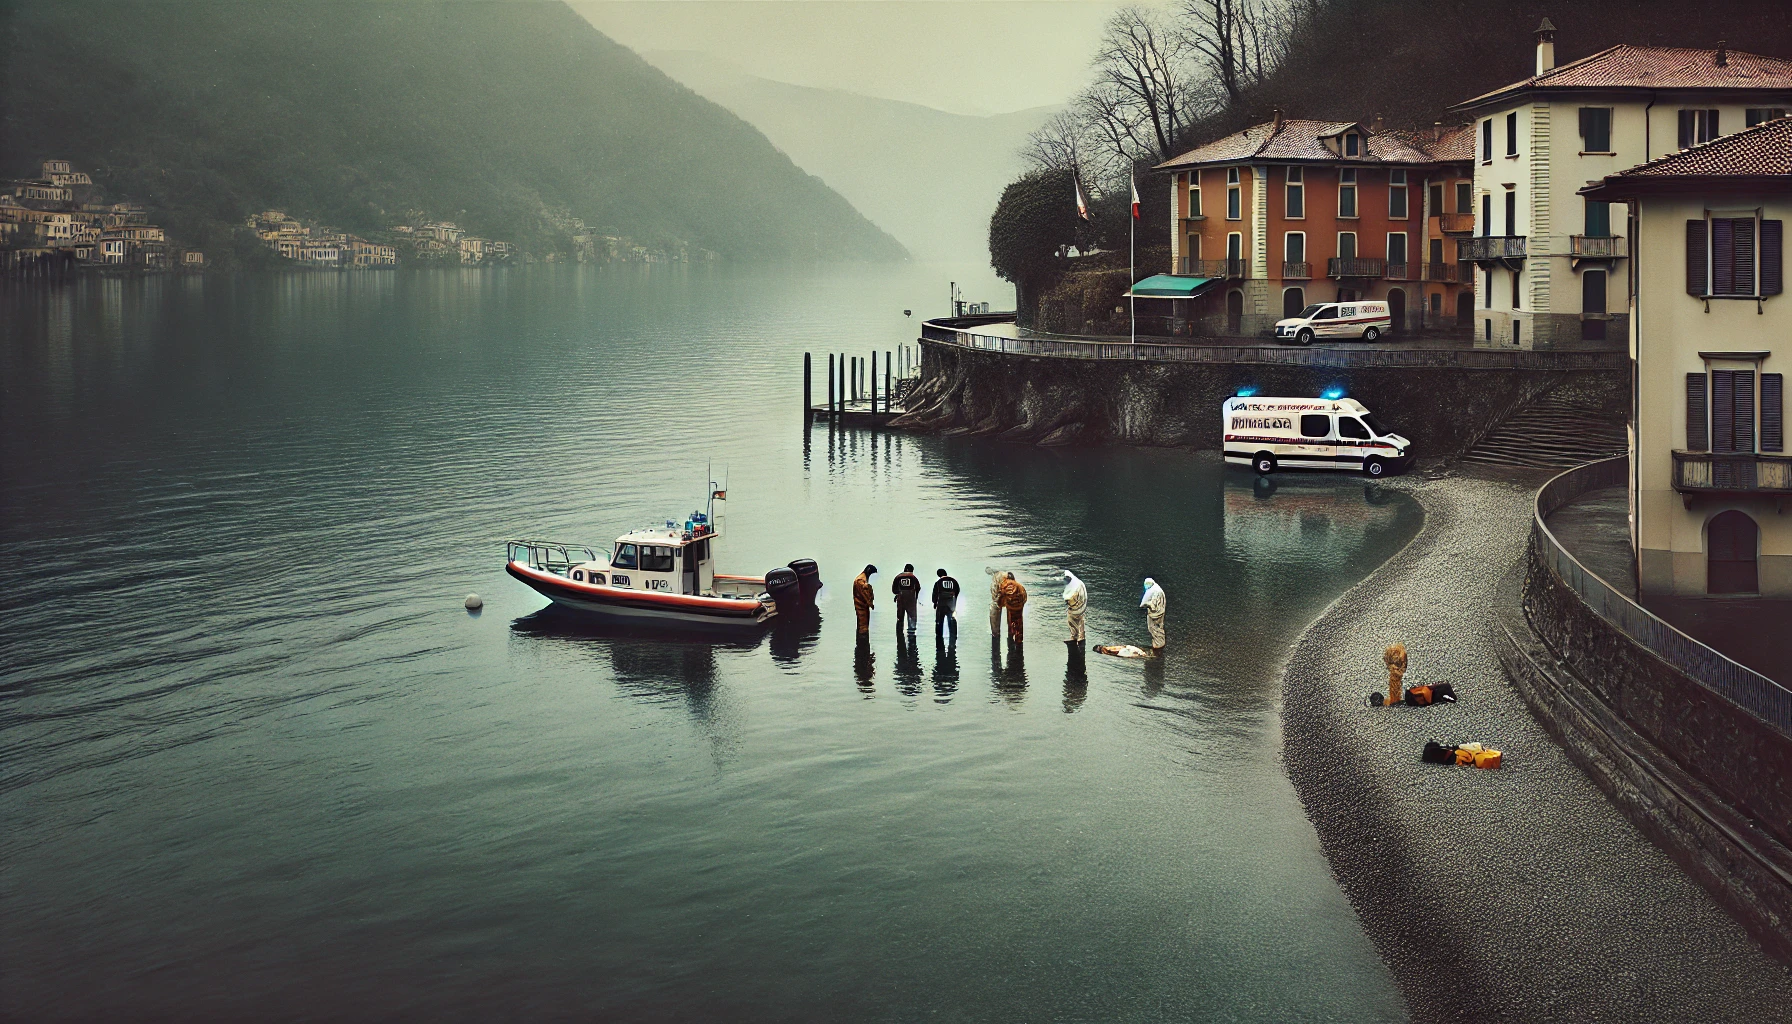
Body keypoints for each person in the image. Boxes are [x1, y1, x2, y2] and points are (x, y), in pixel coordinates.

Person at [891, 563, 922, 633]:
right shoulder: (913, 577)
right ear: (909, 570)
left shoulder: (898, 577)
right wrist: (916, 597)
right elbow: (918, 588)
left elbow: (894, 590)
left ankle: (899, 635)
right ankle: (912, 636)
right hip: (911, 600)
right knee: (912, 618)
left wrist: (898, 594)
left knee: (900, 618)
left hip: (900, 600)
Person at [1139, 577, 1166, 655]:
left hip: (1156, 613)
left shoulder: (1156, 592)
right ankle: (1158, 643)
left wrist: (1147, 604)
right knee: (1154, 627)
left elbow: (1153, 605)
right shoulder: (1155, 589)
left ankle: (1158, 644)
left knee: (1153, 627)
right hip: (1157, 612)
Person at [998, 571, 1027, 642]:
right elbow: (1024, 597)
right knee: (1019, 623)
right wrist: (1021, 604)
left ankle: (1011, 637)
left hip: (1010, 607)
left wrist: (1002, 604)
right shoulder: (1019, 585)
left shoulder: (1004, 585)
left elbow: (1000, 599)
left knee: (1011, 622)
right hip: (1019, 607)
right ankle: (1019, 640)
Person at [932, 568, 960, 641]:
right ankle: (953, 637)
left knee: (939, 621)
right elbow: (957, 590)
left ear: (939, 575)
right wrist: (955, 600)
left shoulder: (938, 582)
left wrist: (934, 603)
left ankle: (939, 638)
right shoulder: (954, 581)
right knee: (951, 620)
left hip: (941, 604)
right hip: (951, 604)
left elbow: (935, 594)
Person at [1061, 570, 1087, 645]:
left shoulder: (1076, 586)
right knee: (1081, 621)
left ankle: (1075, 637)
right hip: (1081, 607)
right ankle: (1081, 637)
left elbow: (1071, 598)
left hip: (1076, 608)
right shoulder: (1079, 583)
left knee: (1071, 620)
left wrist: (1068, 600)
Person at [853, 565, 877, 634]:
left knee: (861, 625)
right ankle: (863, 643)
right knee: (863, 627)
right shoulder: (861, 581)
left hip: (862, 606)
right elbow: (865, 593)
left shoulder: (860, 579)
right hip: (861, 607)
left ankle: (861, 642)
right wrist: (870, 603)